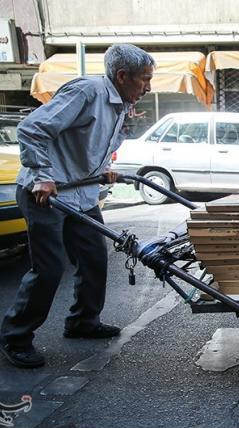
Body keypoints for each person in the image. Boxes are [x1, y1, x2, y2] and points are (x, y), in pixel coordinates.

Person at [0, 44, 154, 368]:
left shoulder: (120, 104)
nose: (148, 88)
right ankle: (15, 336)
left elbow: (87, 144)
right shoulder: (87, 92)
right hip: (45, 194)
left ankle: (82, 321)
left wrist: (102, 170)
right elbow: (32, 129)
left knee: (95, 258)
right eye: (144, 80)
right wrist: (42, 175)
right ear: (122, 76)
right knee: (50, 268)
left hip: (80, 195)